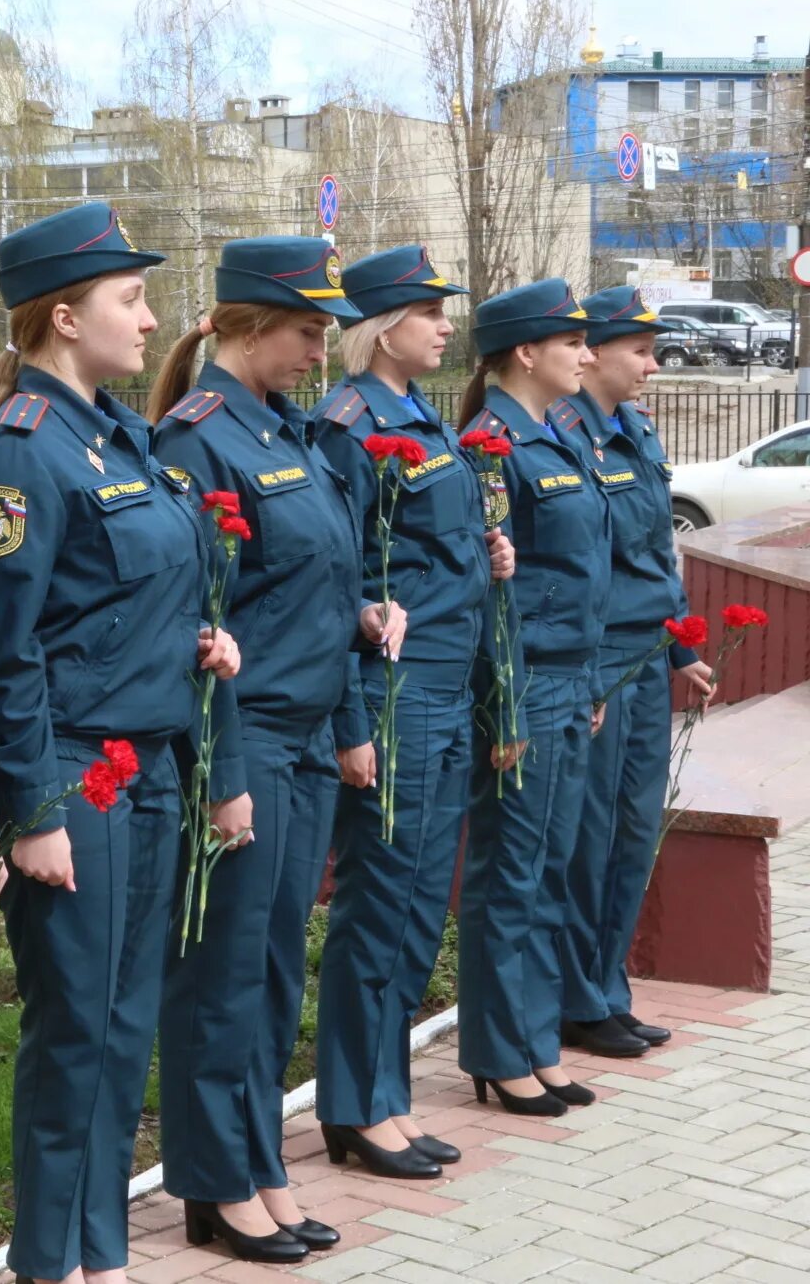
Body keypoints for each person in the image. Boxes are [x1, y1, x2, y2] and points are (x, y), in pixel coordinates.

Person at [0, 203, 242, 1284]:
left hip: (149, 766)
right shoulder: (18, 453)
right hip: (76, 773)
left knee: (122, 1028)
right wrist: (28, 810)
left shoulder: (117, 434)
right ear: (64, 316)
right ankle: (47, 1260)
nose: (150, 317)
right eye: (131, 298)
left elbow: (125, 597)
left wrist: (194, 639)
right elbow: (7, 647)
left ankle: (96, 1252)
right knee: (73, 1027)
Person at [148, 237, 400, 1264]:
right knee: (222, 976)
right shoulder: (195, 441)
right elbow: (193, 629)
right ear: (246, 325)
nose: (317, 349)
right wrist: (221, 774)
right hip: (243, 742)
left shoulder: (289, 434)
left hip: (301, 740)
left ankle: (257, 1163)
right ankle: (213, 1181)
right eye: (305, 329)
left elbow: (314, 599)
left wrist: (346, 721)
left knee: (269, 976)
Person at [309, 246, 516, 1177]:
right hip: (398, 694)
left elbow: (426, 552)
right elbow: (339, 584)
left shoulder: (420, 417)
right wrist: (354, 717)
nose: (446, 326)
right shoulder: (349, 424)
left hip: (444, 682)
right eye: (430, 311)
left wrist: (487, 552)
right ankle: (355, 1104)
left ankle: (383, 1095)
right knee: (380, 901)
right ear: (382, 324)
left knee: (418, 904)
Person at [456, 279, 612, 1117]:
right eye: (572, 341)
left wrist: (586, 682)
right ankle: (497, 1049)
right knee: (510, 874)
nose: (586, 354)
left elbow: (579, 577)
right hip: (526, 685)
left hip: (568, 679)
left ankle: (535, 1040)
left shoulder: (559, 437)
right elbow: (495, 591)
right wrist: (506, 703)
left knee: (550, 871)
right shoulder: (492, 446)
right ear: (526, 352)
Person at [552, 287, 714, 1057]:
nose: (653, 364)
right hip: (600, 658)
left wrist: (683, 646)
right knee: (591, 832)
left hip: (647, 655)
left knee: (635, 829)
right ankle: (576, 996)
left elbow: (657, 553)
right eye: (641, 350)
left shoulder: (636, 433)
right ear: (595, 350)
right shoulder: (563, 434)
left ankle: (607, 987)